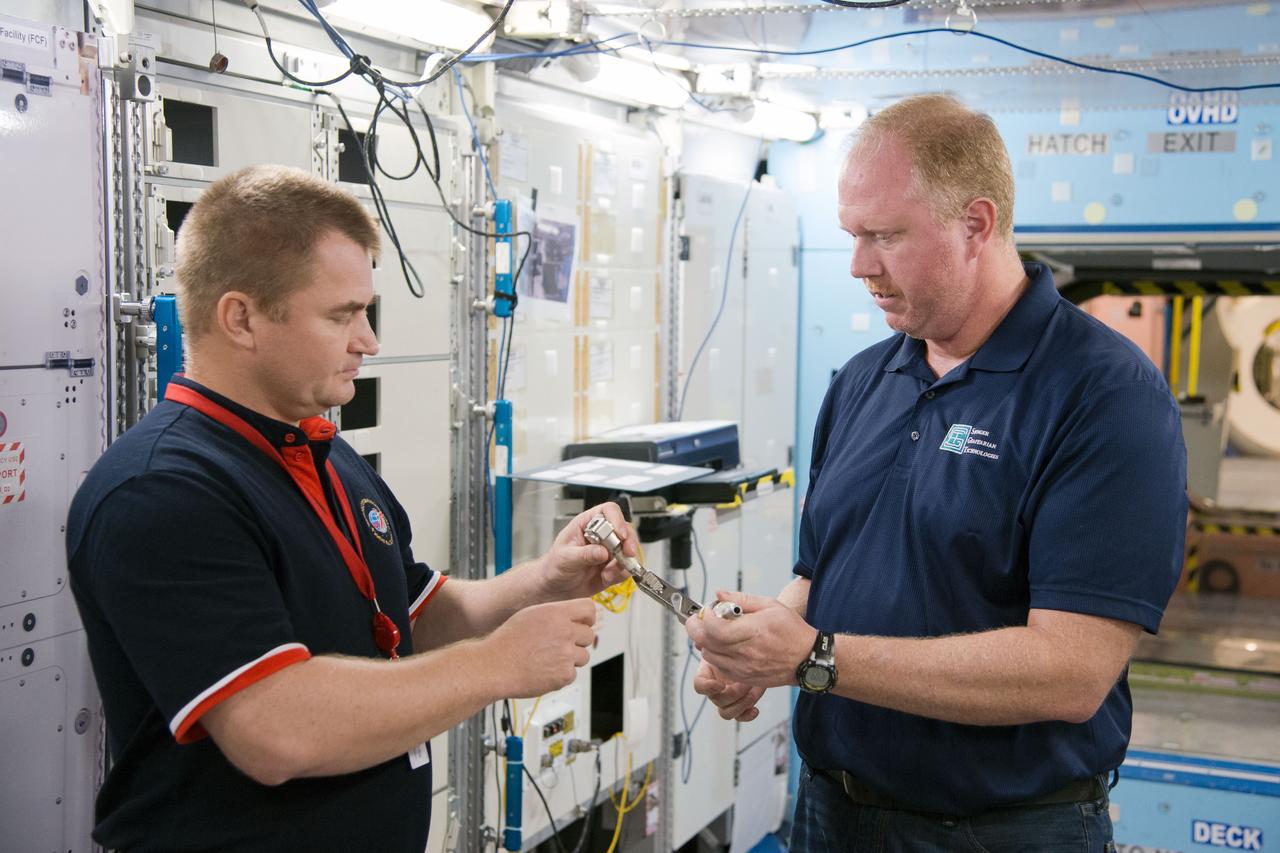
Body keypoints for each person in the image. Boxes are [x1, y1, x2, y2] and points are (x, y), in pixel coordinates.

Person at [66, 164, 636, 853]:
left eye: (366, 311)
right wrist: (499, 664)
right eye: (342, 314)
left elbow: (413, 615)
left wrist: (545, 579)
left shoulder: (324, 452)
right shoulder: (162, 491)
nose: (368, 340)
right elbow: (273, 728)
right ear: (240, 317)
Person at [686, 94, 1187, 852]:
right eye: (854, 235)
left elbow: (1070, 670)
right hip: (831, 813)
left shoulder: (1103, 393)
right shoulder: (863, 380)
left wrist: (816, 659)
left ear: (976, 225)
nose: (859, 266)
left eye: (885, 236)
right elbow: (823, 574)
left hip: (1001, 832)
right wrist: (762, 646)